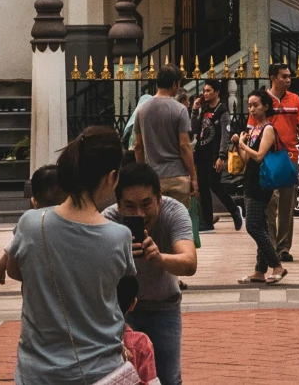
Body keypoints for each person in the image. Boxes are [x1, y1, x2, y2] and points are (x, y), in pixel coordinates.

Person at [0, 126, 136, 384]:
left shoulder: (30, 224)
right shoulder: (119, 237)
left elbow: (15, 271)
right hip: (101, 371)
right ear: (111, 177)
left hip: (37, 372)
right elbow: (118, 292)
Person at [106, 161, 196, 385]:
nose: (139, 214)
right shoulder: (108, 221)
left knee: (169, 378)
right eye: (130, 206)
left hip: (164, 306)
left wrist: (159, 258)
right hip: (121, 312)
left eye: (146, 204)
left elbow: (189, 263)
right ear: (118, 205)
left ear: (159, 198)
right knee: (119, 378)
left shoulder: (174, 212)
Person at [235, 90, 286, 285]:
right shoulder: (254, 129)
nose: (252, 109)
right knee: (261, 225)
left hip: (261, 182)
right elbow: (247, 160)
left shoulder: (268, 129)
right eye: (249, 106)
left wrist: (243, 144)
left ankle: (277, 265)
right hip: (251, 179)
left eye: (256, 105)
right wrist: (240, 144)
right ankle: (259, 270)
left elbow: (259, 156)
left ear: (265, 106)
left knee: (253, 226)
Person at [131, 65, 199, 212]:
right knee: (177, 223)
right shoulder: (180, 109)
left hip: (154, 177)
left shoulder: (142, 110)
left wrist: (143, 173)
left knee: (156, 223)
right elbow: (184, 146)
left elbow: (138, 146)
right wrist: (193, 177)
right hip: (178, 177)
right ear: (175, 84)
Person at [265, 61, 299, 264]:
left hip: (290, 158)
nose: (288, 79)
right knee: (269, 203)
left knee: (286, 205)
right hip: (268, 158)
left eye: (289, 76)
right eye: (283, 76)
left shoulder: (295, 99)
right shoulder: (263, 100)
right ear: (273, 78)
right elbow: (252, 127)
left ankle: (283, 247)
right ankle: (269, 245)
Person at [192, 81, 241, 232]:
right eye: (204, 91)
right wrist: (194, 110)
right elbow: (194, 129)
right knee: (203, 187)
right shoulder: (204, 108)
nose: (205, 93)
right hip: (201, 154)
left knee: (214, 184)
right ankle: (207, 221)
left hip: (214, 155)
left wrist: (221, 156)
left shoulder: (223, 111)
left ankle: (234, 210)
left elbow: (225, 135)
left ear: (217, 92)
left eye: (208, 91)